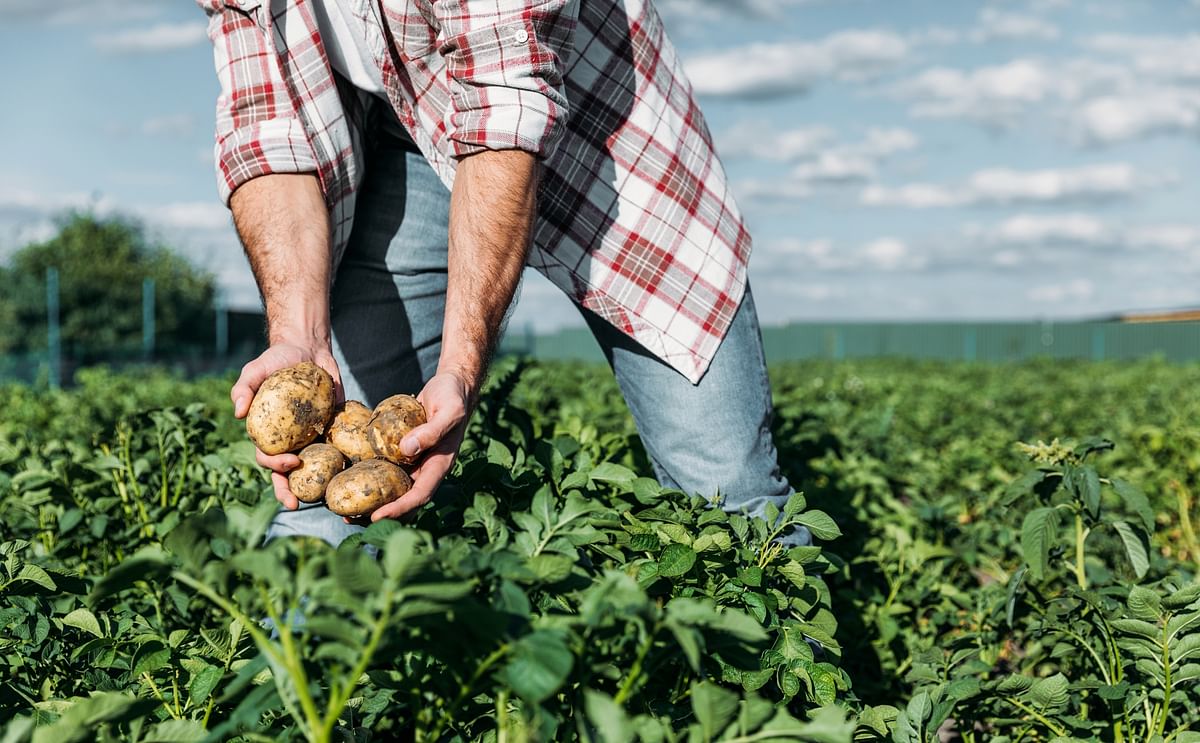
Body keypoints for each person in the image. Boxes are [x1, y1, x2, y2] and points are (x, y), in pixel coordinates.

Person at [196, 0, 809, 548]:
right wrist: (298, 338)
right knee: (318, 505)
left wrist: (461, 371)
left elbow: (504, 102)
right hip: (400, 134)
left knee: (730, 498)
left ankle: (777, 660)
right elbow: (266, 129)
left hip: (607, 135)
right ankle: (309, 666)